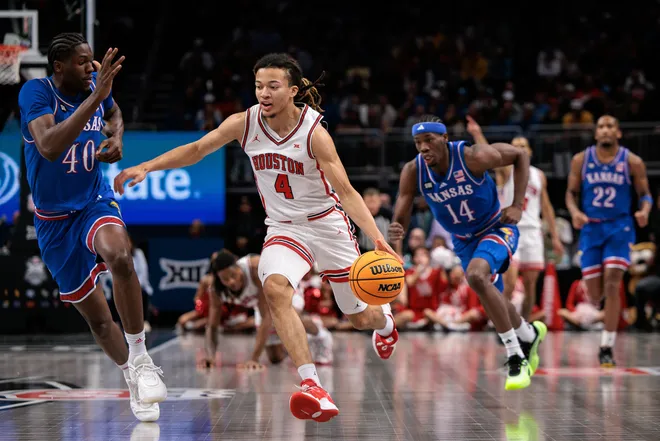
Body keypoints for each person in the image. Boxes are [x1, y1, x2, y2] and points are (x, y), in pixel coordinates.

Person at [113, 53, 401, 422]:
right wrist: (147, 166)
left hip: (327, 224)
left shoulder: (315, 134)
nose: (263, 93)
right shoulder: (243, 123)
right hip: (284, 227)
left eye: (273, 86)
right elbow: (197, 149)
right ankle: (312, 385)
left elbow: (345, 191)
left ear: (293, 91)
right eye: (258, 85)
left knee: (361, 319)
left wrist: (375, 237)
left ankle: (387, 325)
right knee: (276, 288)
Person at [17, 33, 166, 421]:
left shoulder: (95, 89)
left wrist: (116, 136)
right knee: (99, 320)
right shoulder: (36, 93)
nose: (91, 68)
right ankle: (132, 376)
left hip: (92, 201)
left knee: (120, 255)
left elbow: (114, 115)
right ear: (59, 67)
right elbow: (49, 145)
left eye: (92, 61)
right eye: (82, 62)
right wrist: (95, 98)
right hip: (53, 221)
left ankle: (142, 357)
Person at [389, 115, 546, 391]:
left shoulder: (472, 156)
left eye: (429, 140)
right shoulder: (413, 171)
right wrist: (396, 236)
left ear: (444, 139)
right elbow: (401, 211)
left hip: (496, 228)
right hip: (463, 241)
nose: (423, 147)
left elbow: (520, 156)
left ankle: (515, 355)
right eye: (418, 142)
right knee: (489, 293)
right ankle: (528, 333)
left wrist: (518, 204)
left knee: (475, 276)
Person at [565, 115, 651, 367]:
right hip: (591, 229)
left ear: (618, 133)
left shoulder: (632, 161)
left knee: (613, 283)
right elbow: (571, 194)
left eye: (610, 126)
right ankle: (606, 316)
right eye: (601, 127)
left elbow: (645, 195)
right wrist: (574, 213)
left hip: (619, 227)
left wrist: (644, 211)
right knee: (594, 293)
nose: (605, 130)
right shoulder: (580, 160)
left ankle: (606, 345)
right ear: (595, 134)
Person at [466, 116, 564, 320]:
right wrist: (477, 134)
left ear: (529, 151)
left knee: (530, 285)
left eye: (523, 145)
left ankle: (525, 327)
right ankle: (504, 324)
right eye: (516, 146)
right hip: (510, 229)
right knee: (509, 282)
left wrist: (555, 237)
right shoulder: (507, 169)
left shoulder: (539, 175)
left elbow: (546, 208)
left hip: (533, 232)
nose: (520, 148)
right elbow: (488, 153)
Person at [201, 250, 333, 369]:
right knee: (275, 358)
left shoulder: (255, 269)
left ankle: (320, 334)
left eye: (233, 275)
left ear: (238, 267)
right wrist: (210, 356)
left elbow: (267, 317)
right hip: (264, 303)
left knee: (283, 320)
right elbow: (212, 325)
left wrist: (254, 359)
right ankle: (303, 338)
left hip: (286, 290)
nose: (231, 282)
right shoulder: (216, 289)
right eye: (225, 279)